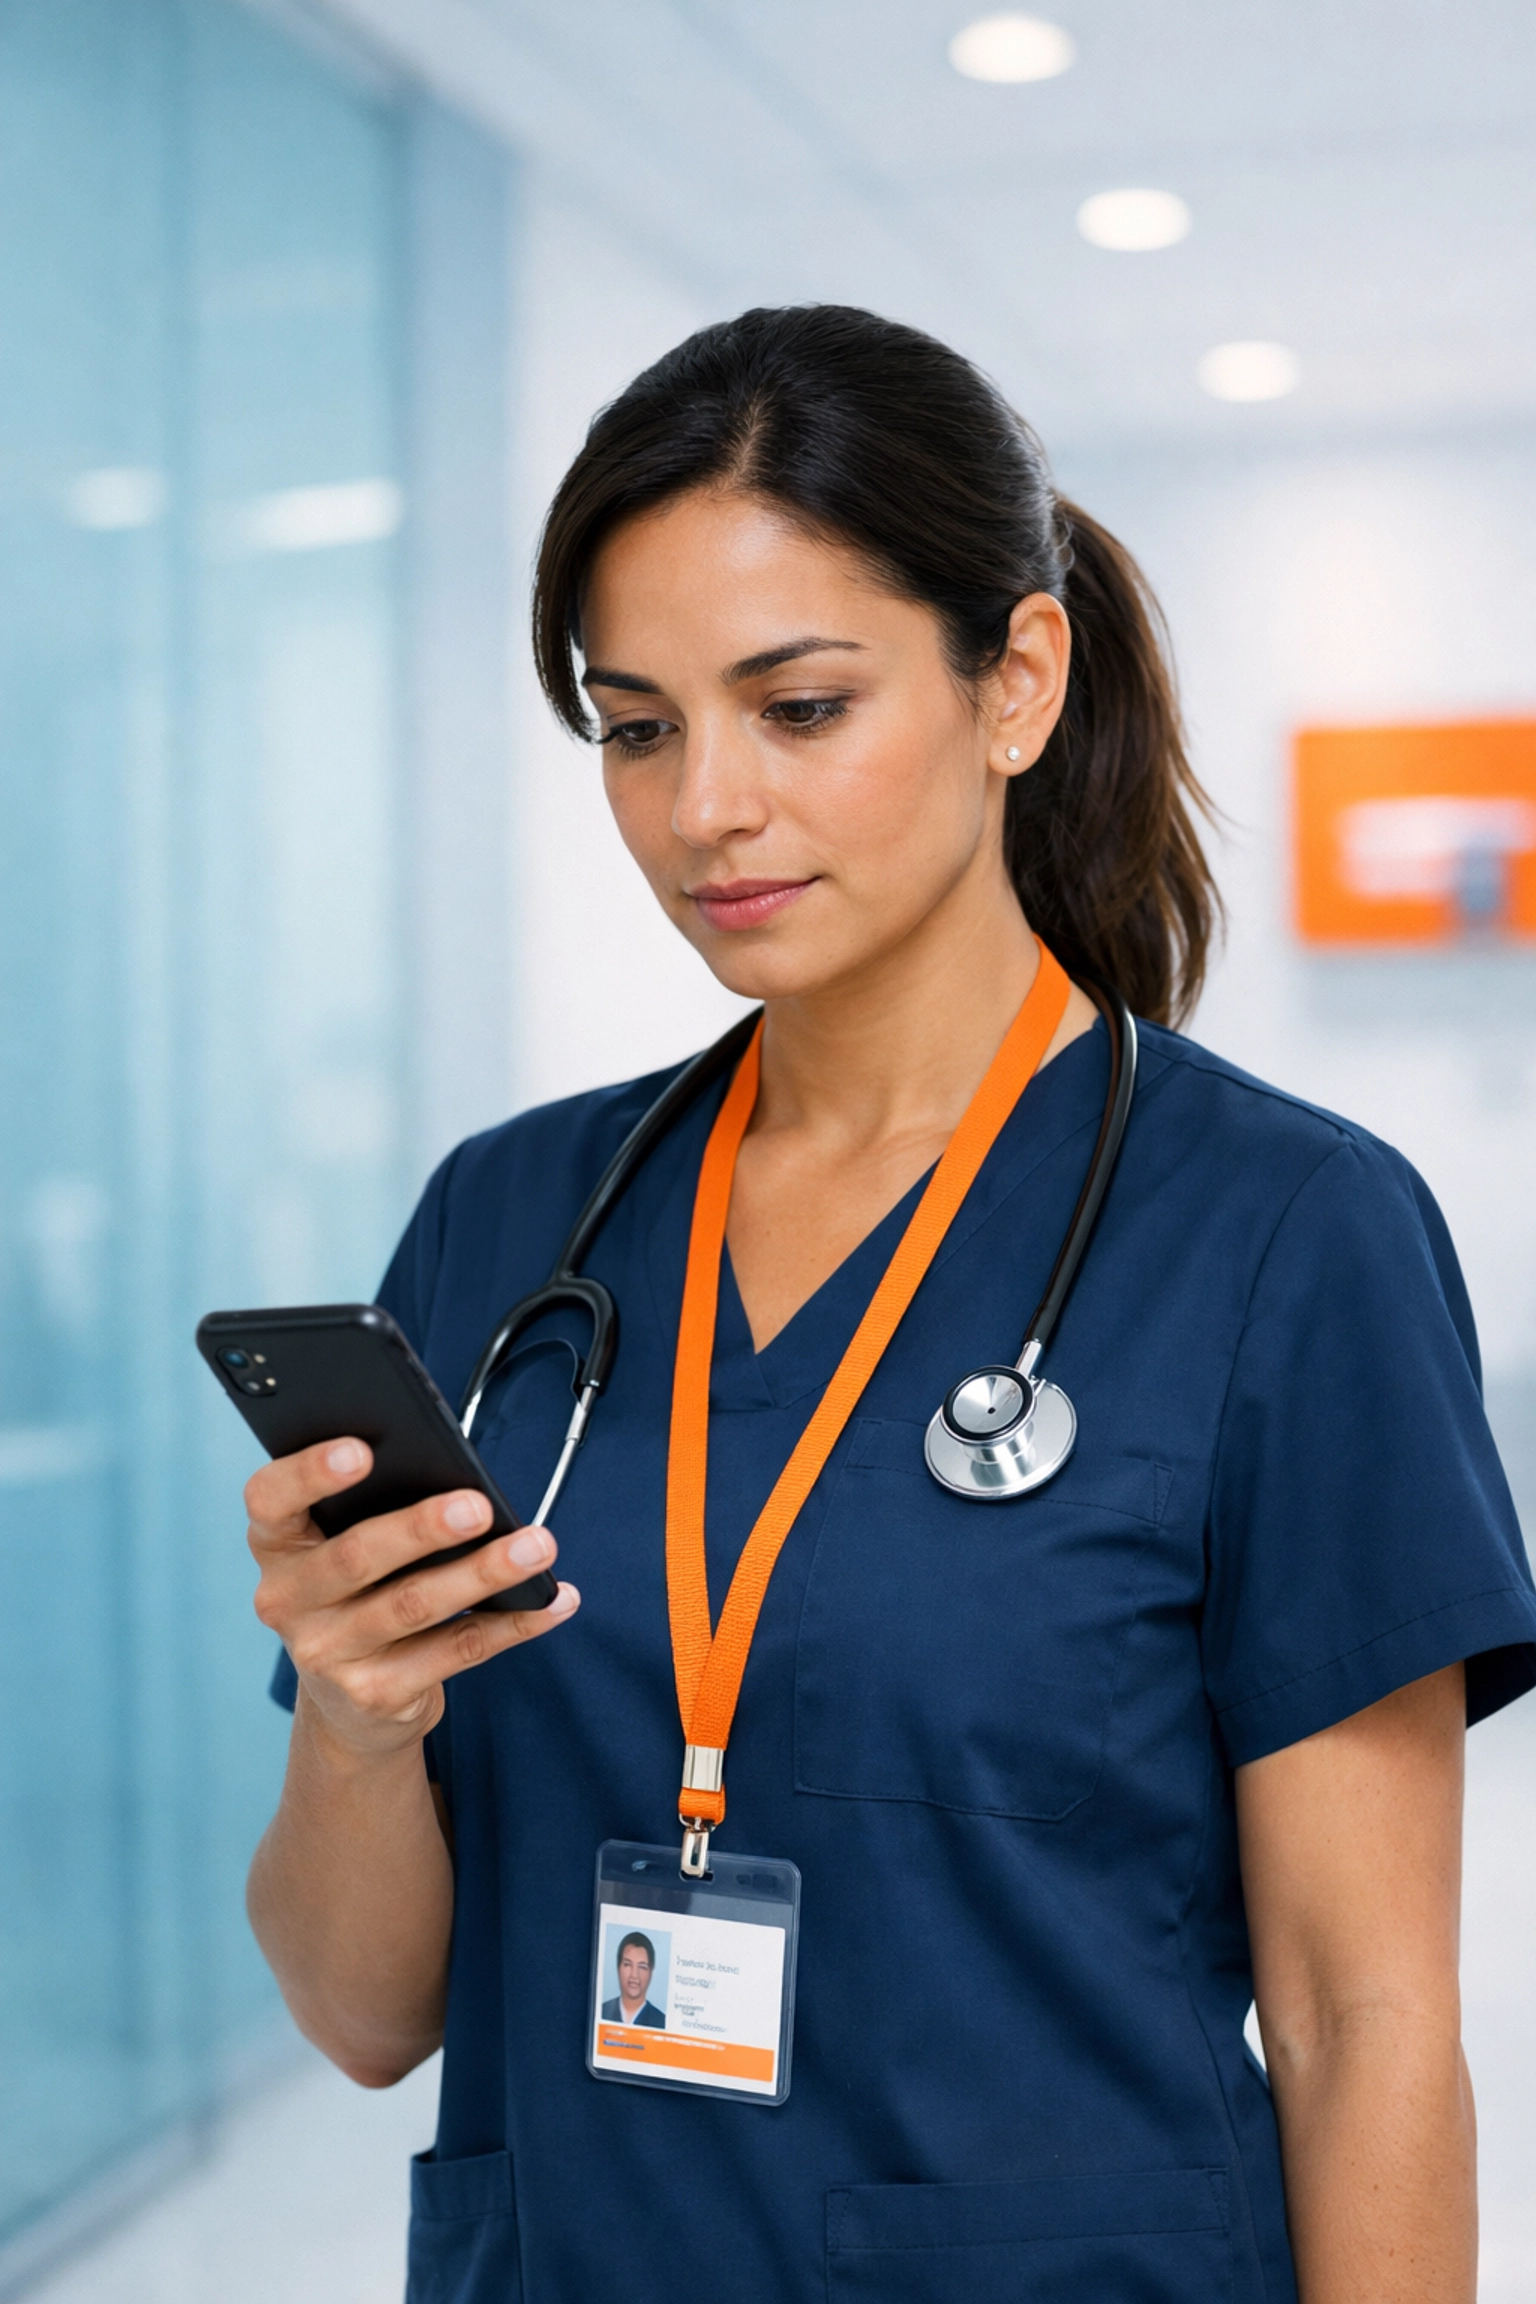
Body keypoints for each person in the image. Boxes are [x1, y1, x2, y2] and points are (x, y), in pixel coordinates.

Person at [244, 306, 1536, 2304]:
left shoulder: (1289, 1236)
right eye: (638, 723)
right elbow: (363, 2014)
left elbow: (1368, 2023)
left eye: (802, 707)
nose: (705, 812)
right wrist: (353, 1710)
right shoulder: (511, 1229)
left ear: (1016, 680)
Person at [600, 1932, 665, 2028]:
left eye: (642, 1967)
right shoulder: (602, 2011)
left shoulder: (661, 2022)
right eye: (627, 1964)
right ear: (618, 1967)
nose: (634, 1975)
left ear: (651, 1971)